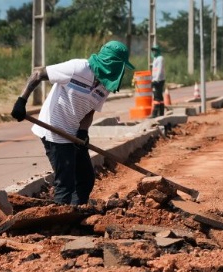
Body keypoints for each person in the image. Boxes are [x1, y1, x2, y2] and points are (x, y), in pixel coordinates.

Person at [10, 40, 134, 206]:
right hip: (53, 129)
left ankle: (75, 213)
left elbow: (89, 111)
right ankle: (58, 222)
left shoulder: (106, 86)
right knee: (65, 182)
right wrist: (21, 101)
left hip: (74, 133)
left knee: (86, 179)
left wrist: (83, 132)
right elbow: (38, 74)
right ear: (111, 62)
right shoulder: (78, 68)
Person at [149, 45, 165, 118]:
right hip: (155, 79)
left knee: (156, 97)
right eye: (153, 50)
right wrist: (152, 79)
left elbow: (159, 69)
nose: (154, 52)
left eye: (155, 50)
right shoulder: (155, 59)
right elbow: (154, 71)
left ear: (158, 51)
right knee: (160, 97)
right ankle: (161, 112)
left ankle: (154, 113)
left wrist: (156, 80)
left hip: (159, 80)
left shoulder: (160, 58)